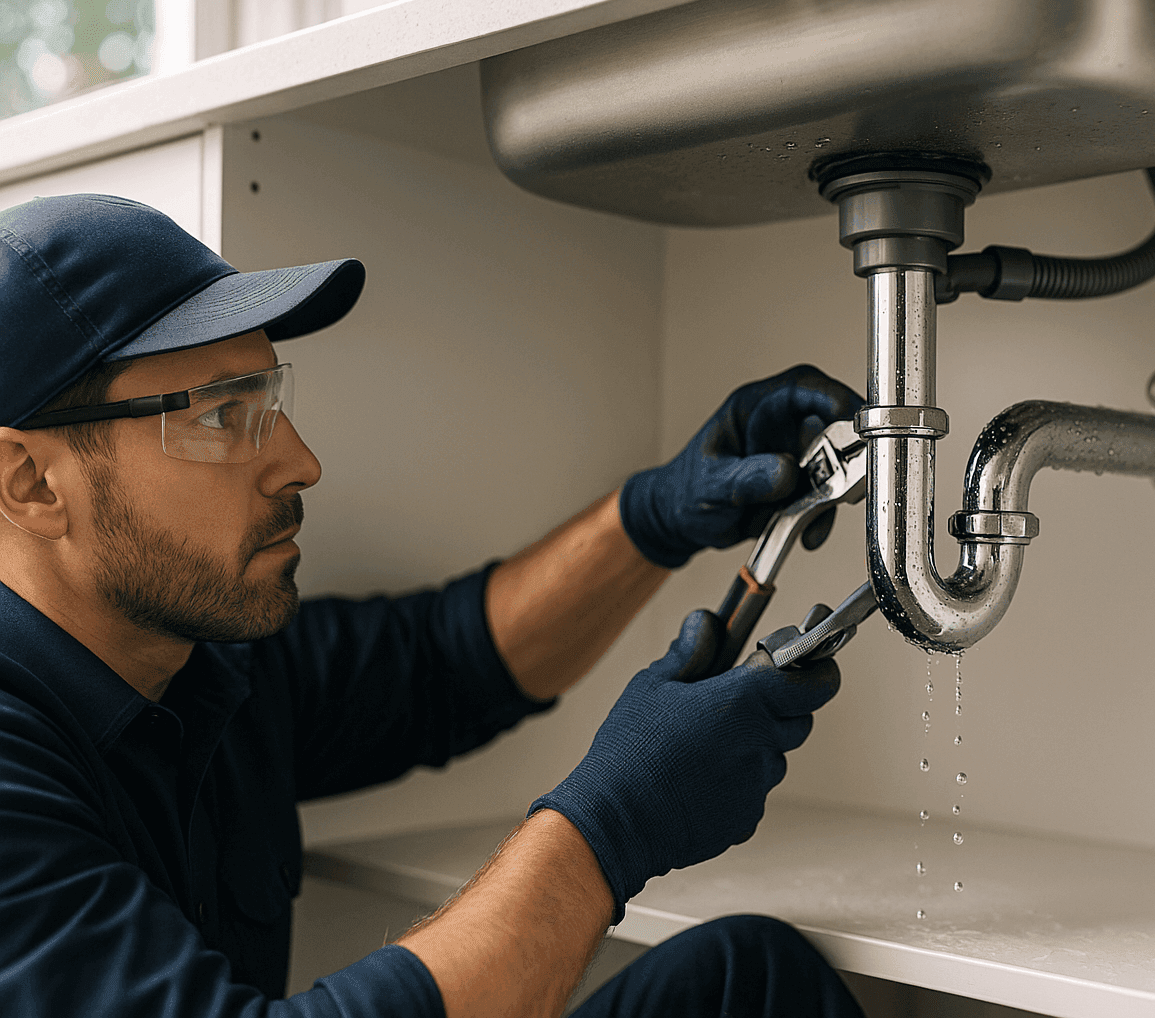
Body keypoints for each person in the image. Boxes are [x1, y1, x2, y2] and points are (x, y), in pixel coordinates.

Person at [0, 194, 869, 1017]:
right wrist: (612, 828)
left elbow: (443, 663)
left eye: (268, 398)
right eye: (221, 418)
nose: (300, 461)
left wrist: (652, 517)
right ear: (31, 481)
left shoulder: (196, 663)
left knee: (742, 985)